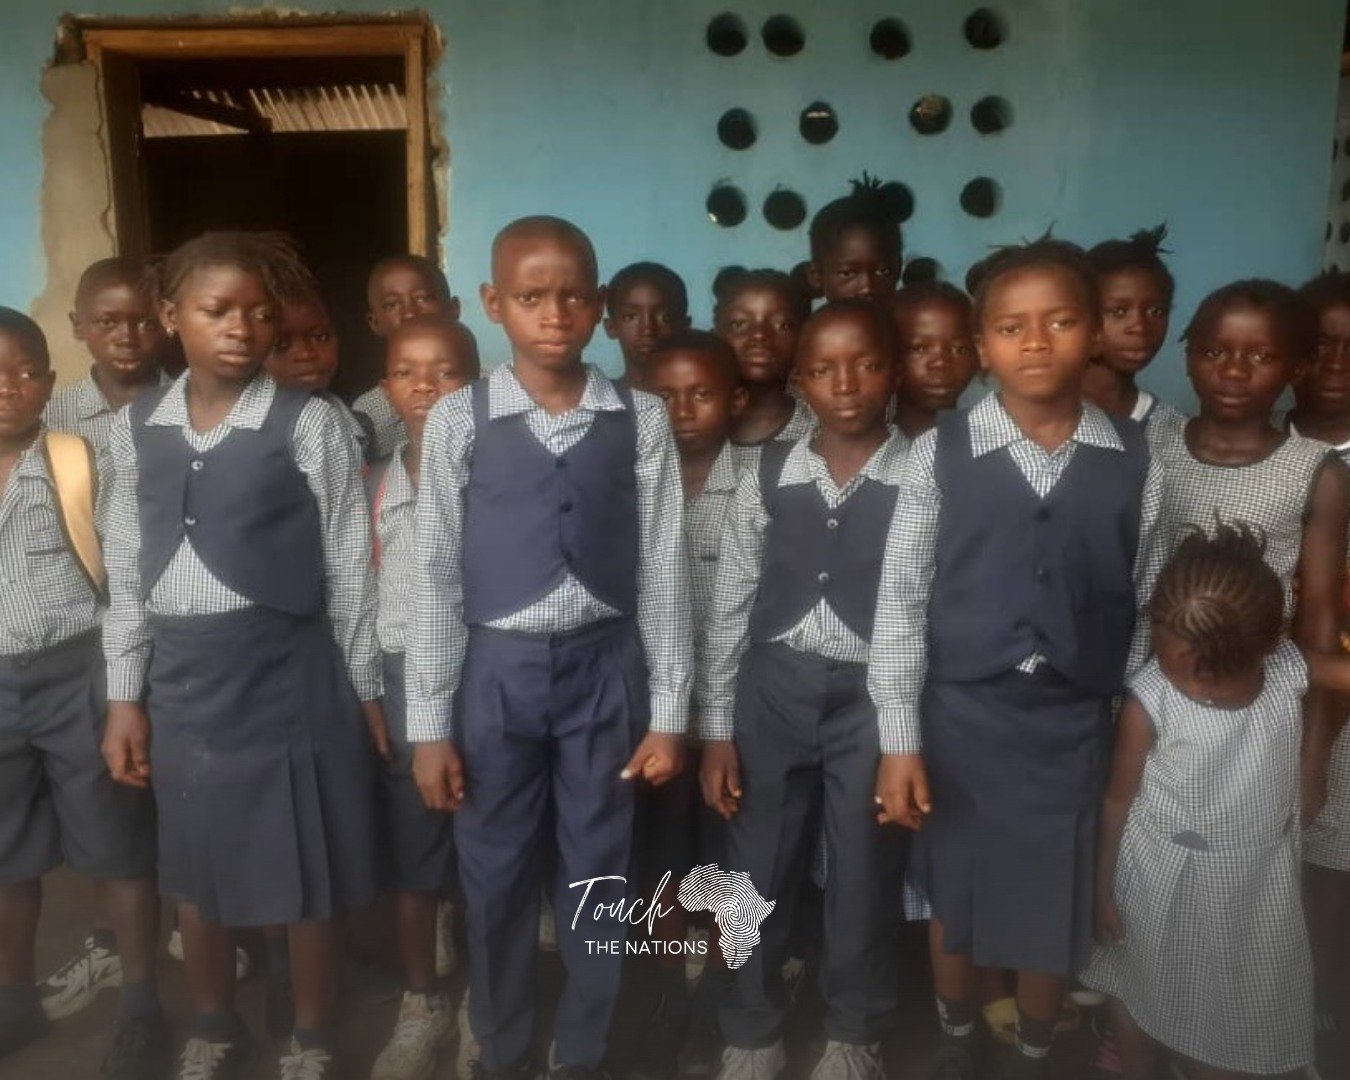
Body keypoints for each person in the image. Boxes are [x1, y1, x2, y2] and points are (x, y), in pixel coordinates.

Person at [869, 237, 1165, 1079]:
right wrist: (899, 739)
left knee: (1051, 907)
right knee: (955, 902)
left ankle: (1036, 1054)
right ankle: (957, 1041)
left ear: (1094, 335)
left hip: (1074, 727)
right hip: (960, 723)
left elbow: (1140, 601)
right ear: (980, 346)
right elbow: (900, 603)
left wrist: (1124, 725)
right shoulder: (942, 451)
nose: (1036, 342)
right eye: (1011, 326)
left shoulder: (1135, 460)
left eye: (1061, 320)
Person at [406, 216, 691, 1079]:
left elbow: (667, 569)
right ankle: (498, 1045)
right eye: (530, 297)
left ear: (600, 307)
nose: (553, 314)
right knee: (492, 874)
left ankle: (584, 1050)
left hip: (606, 669)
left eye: (573, 296)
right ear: (495, 304)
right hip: (495, 674)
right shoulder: (460, 418)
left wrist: (670, 714)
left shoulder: (639, 419)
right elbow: (435, 577)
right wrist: (429, 724)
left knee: (599, 872)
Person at [101, 231, 383, 1080]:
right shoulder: (134, 428)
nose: (241, 328)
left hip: (290, 674)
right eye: (216, 310)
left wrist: (365, 685)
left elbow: (347, 566)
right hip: (184, 681)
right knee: (197, 866)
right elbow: (123, 567)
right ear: (168, 316)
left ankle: (311, 1034)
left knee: (306, 864)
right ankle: (215, 1024)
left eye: (261, 314)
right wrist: (125, 697)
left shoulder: (311, 424)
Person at [700, 300, 908, 1080]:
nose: (845, 383)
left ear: (893, 371)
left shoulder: (923, 470)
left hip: (874, 698)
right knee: (756, 863)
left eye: (864, 364)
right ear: (798, 381)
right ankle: (750, 1028)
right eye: (822, 369)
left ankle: (854, 1031)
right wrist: (718, 727)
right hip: (772, 690)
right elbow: (732, 603)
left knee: (862, 868)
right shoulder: (770, 468)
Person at [1084, 523, 1313, 1079]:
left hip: (1253, 883)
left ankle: (1206, 1062)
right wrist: (1102, 885)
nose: (1197, 688)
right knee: (1137, 982)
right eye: (1172, 662)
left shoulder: (1286, 672)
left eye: (1213, 673)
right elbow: (1117, 799)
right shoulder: (1151, 700)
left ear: (1266, 645)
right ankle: (1138, 1065)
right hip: (1159, 871)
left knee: (1233, 1001)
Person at [0, 308, 164, 1078]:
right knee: (6, 856)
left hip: (77, 674)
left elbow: (126, 577)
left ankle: (139, 1004)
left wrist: (123, 696)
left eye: (28, 373)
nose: (11, 388)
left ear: (50, 382)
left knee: (118, 844)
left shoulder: (76, 458)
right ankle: (14, 1003)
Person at [1153, 280, 1348, 828]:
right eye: (1214, 351)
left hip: (1258, 703)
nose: (1234, 371)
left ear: (1297, 369)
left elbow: (1320, 620)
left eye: (1262, 356)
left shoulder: (1315, 472)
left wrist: (1311, 761)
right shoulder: (1151, 448)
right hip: (1155, 695)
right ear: (1187, 356)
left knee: (1237, 862)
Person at [365, 314, 480, 1080]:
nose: (426, 387)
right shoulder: (374, 482)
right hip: (404, 678)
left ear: (478, 385)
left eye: (445, 372)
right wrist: (368, 689)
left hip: (489, 677)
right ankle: (423, 1001)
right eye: (408, 372)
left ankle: (488, 1005)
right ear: (386, 387)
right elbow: (354, 590)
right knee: (416, 851)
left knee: (494, 847)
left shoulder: (500, 473)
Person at [640, 329, 746, 1075]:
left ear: (736, 401)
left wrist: (723, 725)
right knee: (662, 862)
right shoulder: (632, 479)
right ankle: (667, 998)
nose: (682, 409)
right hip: (651, 717)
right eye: (665, 395)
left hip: (731, 715)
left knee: (727, 862)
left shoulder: (761, 484)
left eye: (701, 393)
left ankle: (720, 1002)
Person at [1290, 269, 1350, 1049]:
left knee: (1334, 854)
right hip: (1271, 686)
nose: (1337, 359)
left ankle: (1323, 1005)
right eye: (1321, 342)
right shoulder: (1260, 442)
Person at [45, 257, 166, 454]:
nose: (127, 339)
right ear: (77, 326)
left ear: (167, 322)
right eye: (108, 323)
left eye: (146, 323)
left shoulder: (194, 405)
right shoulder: (52, 417)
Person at [1082, 226, 1187, 445]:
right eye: (1118, 311)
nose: (1140, 326)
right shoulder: (1042, 413)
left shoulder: (1172, 430)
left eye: (1156, 311)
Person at [352, 254, 461, 458]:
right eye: (391, 305)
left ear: (453, 309)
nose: (409, 313)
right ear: (374, 322)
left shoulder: (488, 390)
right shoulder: (367, 412)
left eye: (422, 298)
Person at [712, 269, 813, 464]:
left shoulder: (820, 428)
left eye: (782, 325)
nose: (759, 335)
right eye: (739, 324)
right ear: (715, 333)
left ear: (804, 336)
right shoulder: (689, 422)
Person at [266, 284, 371, 459]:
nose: (306, 354)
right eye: (281, 344)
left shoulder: (361, 424)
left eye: (320, 337)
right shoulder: (257, 440)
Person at [890, 282, 978, 439]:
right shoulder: (869, 444)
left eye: (959, 349)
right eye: (919, 349)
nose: (941, 364)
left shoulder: (987, 437)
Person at [806, 174, 903, 308]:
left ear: (898, 269)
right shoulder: (812, 329)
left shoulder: (910, 327)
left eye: (883, 271)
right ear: (816, 275)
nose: (867, 287)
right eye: (847, 273)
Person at [603, 261, 690, 387]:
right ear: (611, 327)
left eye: (665, 318)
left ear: (685, 327)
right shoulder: (598, 401)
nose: (648, 329)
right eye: (630, 317)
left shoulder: (695, 403)